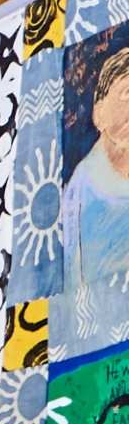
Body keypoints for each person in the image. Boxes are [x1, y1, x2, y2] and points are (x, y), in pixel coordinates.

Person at [65, 50, 129, 360]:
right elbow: (72, 274)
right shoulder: (82, 185)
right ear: (98, 113)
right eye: (126, 93)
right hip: (97, 332)